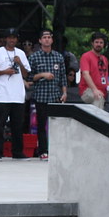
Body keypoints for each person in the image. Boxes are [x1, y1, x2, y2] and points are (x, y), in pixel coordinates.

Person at [0, 28, 30, 160]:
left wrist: (19, 63)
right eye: (10, 37)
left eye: (14, 38)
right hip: (2, 95)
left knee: (17, 126)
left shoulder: (21, 54)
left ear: (17, 40)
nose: (12, 40)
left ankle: (17, 152)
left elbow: (26, 74)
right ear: (5, 39)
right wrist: (4, 71)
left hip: (17, 95)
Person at [27, 29, 67, 161]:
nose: (47, 39)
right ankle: (43, 151)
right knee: (41, 125)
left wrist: (65, 92)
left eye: (49, 37)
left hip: (55, 95)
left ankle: (56, 150)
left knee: (57, 125)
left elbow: (63, 77)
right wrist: (43, 75)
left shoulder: (58, 57)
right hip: (41, 95)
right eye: (44, 37)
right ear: (40, 40)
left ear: (52, 40)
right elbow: (30, 77)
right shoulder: (34, 57)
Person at [79, 32, 109, 110]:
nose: (98, 44)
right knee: (98, 98)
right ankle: (96, 122)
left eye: (101, 42)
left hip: (102, 91)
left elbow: (103, 77)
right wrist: (95, 90)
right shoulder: (86, 56)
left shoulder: (104, 59)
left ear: (104, 45)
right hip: (87, 90)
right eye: (96, 42)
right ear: (92, 43)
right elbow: (85, 74)